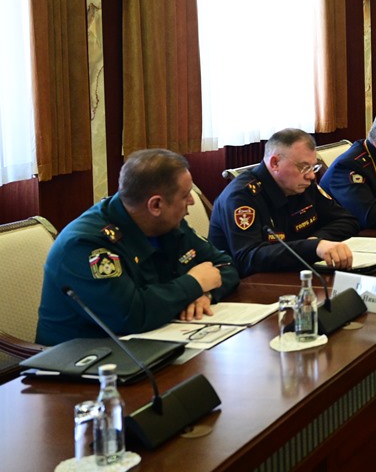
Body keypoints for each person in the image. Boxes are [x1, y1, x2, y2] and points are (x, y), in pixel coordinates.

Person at [36, 149, 240, 346]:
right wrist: (194, 283)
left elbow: (225, 264)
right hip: (83, 358)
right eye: (185, 195)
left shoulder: (167, 224)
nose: (192, 201)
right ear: (156, 205)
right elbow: (130, 315)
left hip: (154, 341)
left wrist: (204, 294)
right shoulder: (87, 245)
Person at [209, 128, 359, 276]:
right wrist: (312, 247)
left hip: (294, 272)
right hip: (249, 283)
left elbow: (346, 220)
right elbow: (248, 258)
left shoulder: (302, 185)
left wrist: (316, 240)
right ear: (275, 163)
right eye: (304, 167)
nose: (311, 176)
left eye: (313, 167)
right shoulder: (241, 197)